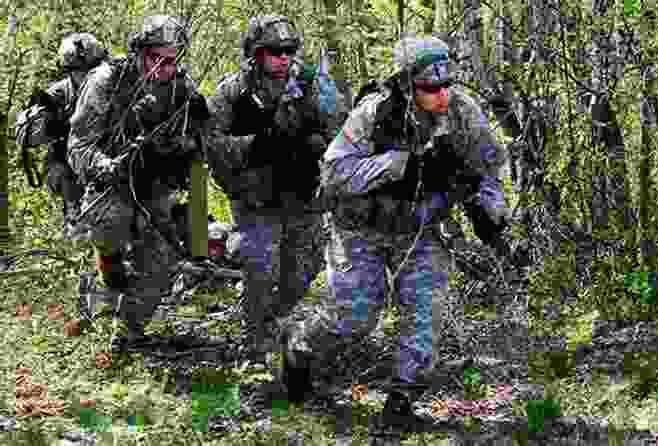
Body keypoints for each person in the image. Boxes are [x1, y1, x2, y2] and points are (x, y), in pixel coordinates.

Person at [278, 35, 513, 426]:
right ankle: (299, 344)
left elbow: (490, 167)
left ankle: (402, 399)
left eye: (446, 84)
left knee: (426, 312)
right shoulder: (374, 114)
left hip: (420, 229)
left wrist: (490, 210)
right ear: (406, 85)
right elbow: (334, 174)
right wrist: (400, 165)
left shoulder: (462, 113)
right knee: (353, 318)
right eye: (429, 87)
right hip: (359, 229)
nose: (441, 94)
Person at [205, 15, 348, 361]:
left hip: (303, 193)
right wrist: (258, 144)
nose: (283, 58)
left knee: (306, 265)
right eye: (274, 51)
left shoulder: (313, 84)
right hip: (256, 197)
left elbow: (344, 131)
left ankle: (274, 319)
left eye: (289, 50)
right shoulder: (233, 91)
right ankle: (255, 339)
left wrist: (319, 147)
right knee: (260, 266)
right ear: (255, 54)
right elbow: (210, 142)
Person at [66, 15, 210, 352]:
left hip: (156, 189)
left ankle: (126, 330)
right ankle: (108, 270)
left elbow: (201, 160)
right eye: (155, 58)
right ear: (138, 52)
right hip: (110, 184)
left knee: (163, 264)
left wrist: (200, 235)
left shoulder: (183, 91)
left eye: (171, 60)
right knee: (111, 223)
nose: (163, 67)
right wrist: (106, 164)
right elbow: (78, 146)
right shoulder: (107, 81)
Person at [15, 33, 110, 227]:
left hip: (104, 156)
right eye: (87, 70)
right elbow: (23, 133)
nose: (95, 75)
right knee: (64, 173)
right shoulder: (60, 94)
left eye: (97, 68)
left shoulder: (109, 86)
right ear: (71, 71)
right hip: (67, 164)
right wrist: (52, 126)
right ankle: (74, 220)